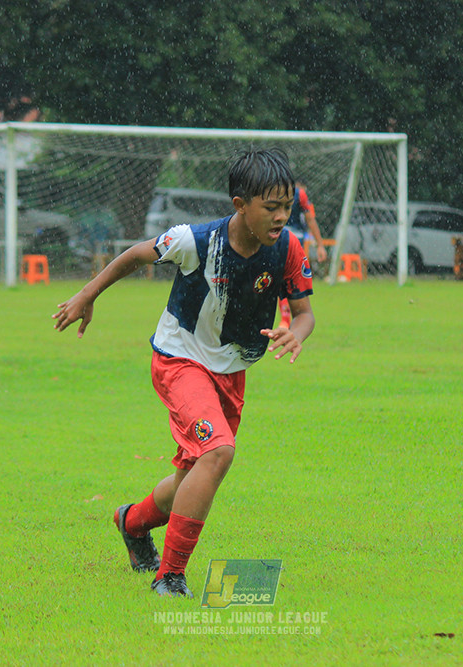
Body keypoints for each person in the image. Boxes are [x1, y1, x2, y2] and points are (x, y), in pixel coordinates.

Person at [53, 148, 315, 596]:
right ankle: (170, 576)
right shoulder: (196, 241)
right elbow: (136, 255)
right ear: (240, 205)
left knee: (191, 477)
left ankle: (131, 523)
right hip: (181, 362)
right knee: (218, 453)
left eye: (286, 207)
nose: (281, 217)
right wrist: (86, 295)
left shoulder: (289, 248)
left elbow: (305, 312)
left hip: (230, 373)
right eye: (270, 207)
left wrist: (298, 334)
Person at [278, 181, 326, 328]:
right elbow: (310, 219)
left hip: (277, 237)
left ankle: (286, 318)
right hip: (294, 240)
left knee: (279, 278)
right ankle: (296, 317)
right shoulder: (300, 194)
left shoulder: (270, 191)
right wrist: (320, 245)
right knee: (292, 280)